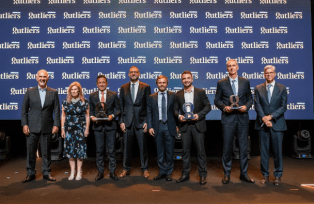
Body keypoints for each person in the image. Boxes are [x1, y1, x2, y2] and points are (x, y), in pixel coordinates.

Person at [214, 59, 254, 184]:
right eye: (229, 66)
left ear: (238, 67)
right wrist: (224, 107)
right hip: (228, 118)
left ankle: (244, 174)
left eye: (233, 65)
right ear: (227, 68)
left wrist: (246, 107)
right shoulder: (221, 83)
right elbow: (217, 100)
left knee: (243, 148)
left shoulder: (245, 82)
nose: (231, 68)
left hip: (242, 118)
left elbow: (249, 99)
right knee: (227, 148)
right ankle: (227, 174)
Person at [21, 69, 60, 183]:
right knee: (30, 152)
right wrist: (24, 124)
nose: (42, 79)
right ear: (36, 78)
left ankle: (46, 172)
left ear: (48, 78)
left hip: (47, 127)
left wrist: (56, 125)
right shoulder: (29, 92)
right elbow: (24, 111)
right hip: (31, 127)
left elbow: (56, 111)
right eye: (40, 77)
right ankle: (30, 173)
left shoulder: (53, 92)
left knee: (46, 152)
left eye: (44, 77)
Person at [174, 71, 211, 185]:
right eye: (184, 78)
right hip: (185, 126)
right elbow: (175, 110)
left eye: (188, 78)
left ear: (192, 79)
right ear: (181, 80)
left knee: (201, 152)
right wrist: (179, 116)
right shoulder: (178, 94)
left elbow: (208, 106)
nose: (186, 80)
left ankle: (203, 175)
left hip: (197, 125)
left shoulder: (200, 92)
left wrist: (198, 115)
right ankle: (185, 174)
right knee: (185, 152)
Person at [254, 65, 287, 185]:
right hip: (262, 125)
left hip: (277, 124)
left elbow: (283, 107)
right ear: (264, 74)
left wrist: (270, 117)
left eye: (271, 73)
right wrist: (264, 119)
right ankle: (265, 175)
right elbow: (257, 105)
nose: (268, 75)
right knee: (264, 152)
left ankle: (278, 175)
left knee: (277, 152)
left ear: (275, 74)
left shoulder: (282, 88)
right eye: (266, 73)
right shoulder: (258, 88)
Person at [119, 66, 151, 179]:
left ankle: (145, 169)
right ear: (128, 74)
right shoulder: (123, 88)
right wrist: (121, 121)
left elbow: (148, 106)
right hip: (127, 122)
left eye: (135, 72)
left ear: (139, 74)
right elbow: (121, 106)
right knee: (126, 148)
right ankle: (125, 169)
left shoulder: (146, 87)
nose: (133, 73)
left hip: (141, 122)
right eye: (131, 72)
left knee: (143, 147)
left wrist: (147, 121)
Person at [89, 75, 121, 181]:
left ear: (106, 83)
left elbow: (119, 109)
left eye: (103, 82)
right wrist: (92, 117)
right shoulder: (92, 95)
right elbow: (91, 111)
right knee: (99, 151)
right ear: (97, 84)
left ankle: (112, 172)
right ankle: (100, 172)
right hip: (98, 126)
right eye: (99, 83)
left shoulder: (113, 94)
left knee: (111, 151)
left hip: (110, 126)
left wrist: (113, 116)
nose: (101, 84)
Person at [147, 75, 177, 181]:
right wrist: (150, 127)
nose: (162, 84)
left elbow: (176, 111)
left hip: (170, 126)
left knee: (169, 151)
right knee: (159, 151)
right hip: (157, 126)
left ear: (167, 84)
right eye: (160, 83)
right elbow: (149, 113)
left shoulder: (173, 95)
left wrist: (177, 125)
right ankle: (162, 171)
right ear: (157, 84)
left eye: (164, 82)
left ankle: (169, 172)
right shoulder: (151, 97)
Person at [61, 82, 90, 180]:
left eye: (75, 89)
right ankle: (72, 172)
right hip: (69, 129)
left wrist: (87, 129)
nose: (73, 91)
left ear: (79, 90)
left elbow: (87, 116)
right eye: (72, 89)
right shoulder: (65, 102)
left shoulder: (84, 102)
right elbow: (63, 116)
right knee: (70, 152)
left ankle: (79, 172)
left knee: (79, 152)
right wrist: (62, 129)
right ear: (70, 91)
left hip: (80, 129)